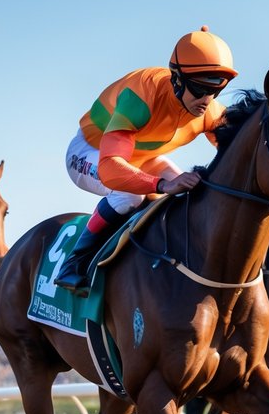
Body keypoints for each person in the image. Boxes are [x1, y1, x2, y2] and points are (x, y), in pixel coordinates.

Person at [53, 25, 237, 296]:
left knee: (194, 195)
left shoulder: (208, 110)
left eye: (216, 90)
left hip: (142, 158)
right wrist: (161, 185)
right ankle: (74, 263)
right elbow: (111, 167)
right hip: (90, 153)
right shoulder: (141, 96)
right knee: (129, 198)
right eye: (199, 89)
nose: (206, 101)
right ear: (177, 79)